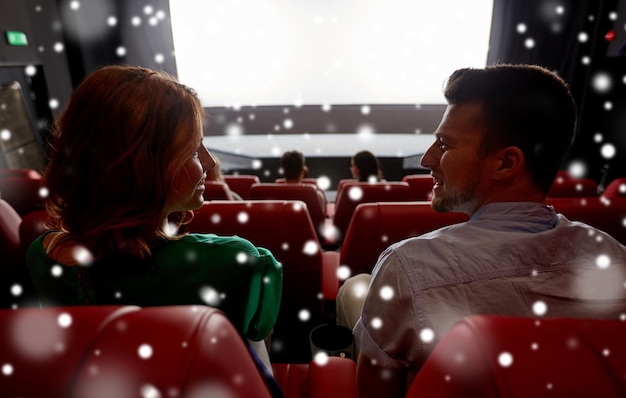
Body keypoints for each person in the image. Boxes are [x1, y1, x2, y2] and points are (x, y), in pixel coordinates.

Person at [337, 64, 626, 398]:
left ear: (505, 164)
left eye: (444, 145)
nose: (427, 159)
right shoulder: (616, 258)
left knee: (356, 287)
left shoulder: (407, 267)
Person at [26, 65, 283, 369]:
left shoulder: (40, 255)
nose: (209, 161)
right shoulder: (238, 261)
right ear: (142, 168)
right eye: (191, 151)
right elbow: (255, 346)